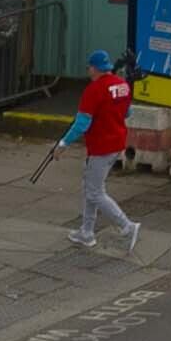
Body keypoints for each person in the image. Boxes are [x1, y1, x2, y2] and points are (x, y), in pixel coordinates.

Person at [64, 49, 147, 257]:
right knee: (90, 186)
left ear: (94, 68)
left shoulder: (94, 90)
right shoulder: (122, 85)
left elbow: (82, 123)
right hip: (116, 142)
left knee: (95, 192)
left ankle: (127, 226)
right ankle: (87, 232)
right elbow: (127, 112)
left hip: (100, 145)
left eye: (89, 67)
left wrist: (63, 143)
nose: (88, 70)